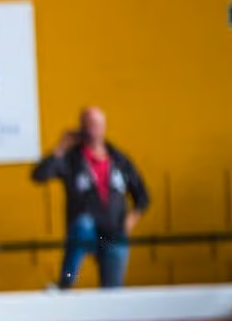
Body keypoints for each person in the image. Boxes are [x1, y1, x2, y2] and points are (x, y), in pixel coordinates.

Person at [30, 106, 150, 289]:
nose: (92, 129)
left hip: (114, 232)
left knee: (113, 291)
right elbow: (39, 175)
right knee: (82, 225)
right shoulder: (72, 159)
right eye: (87, 125)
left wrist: (131, 220)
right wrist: (61, 147)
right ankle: (66, 281)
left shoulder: (118, 159)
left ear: (104, 126)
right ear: (81, 128)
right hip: (86, 233)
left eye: (96, 124)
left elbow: (142, 196)